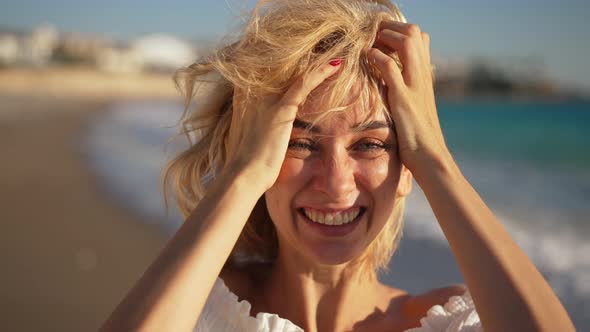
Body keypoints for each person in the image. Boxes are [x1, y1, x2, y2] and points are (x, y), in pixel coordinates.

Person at [99, 0, 575, 331]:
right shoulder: (197, 308)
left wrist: (436, 159)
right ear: (254, 151)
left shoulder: (454, 322)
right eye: (301, 143)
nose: (336, 185)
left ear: (407, 164)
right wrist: (241, 177)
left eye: (370, 145)